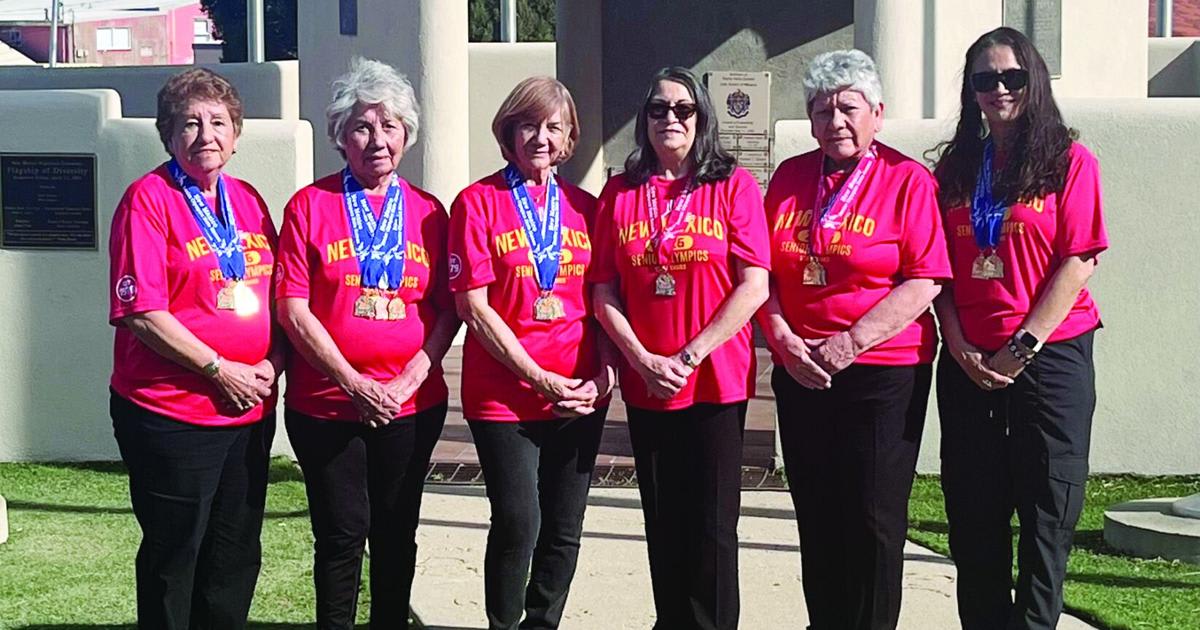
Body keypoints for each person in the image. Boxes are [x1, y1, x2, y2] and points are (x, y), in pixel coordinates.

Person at [759, 49, 951, 630]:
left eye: (848, 107)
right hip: (800, 372)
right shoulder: (791, 177)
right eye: (821, 110)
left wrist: (850, 341)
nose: (834, 121)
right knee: (816, 516)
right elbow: (757, 275)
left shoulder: (906, 180)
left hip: (881, 374)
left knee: (872, 521)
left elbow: (925, 280)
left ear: (877, 113)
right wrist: (783, 341)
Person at [931, 27, 1108, 630]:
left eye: (1011, 76)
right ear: (971, 91)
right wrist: (957, 346)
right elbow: (937, 274)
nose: (999, 89)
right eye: (985, 79)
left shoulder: (1067, 161)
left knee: (1046, 514)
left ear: (1033, 80)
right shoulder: (956, 169)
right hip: (969, 363)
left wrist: (1022, 346)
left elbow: (1078, 259)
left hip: (1049, 359)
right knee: (974, 517)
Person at [274, 57, 458, 629]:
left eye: (390, 126)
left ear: (407, 135)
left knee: (397, 532)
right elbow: (292, 308)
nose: (377, 140)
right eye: (362, 126)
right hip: (327, 406)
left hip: (411, 406)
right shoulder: (309, 206)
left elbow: (449, 310)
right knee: (340, 534)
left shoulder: (431, 213)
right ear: (340, 135)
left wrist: (405, 381)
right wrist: (353, 383)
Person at [591, 66, 770, 630]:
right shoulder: (619, 192)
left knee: (712, 525)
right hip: (649, 383)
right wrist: (641, 359)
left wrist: (690, 354)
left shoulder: (731, 185)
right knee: (663, 518)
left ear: (702, 119)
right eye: (659, 109)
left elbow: (754, 284)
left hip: (715, 379)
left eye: (684, 109)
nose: (671, 119)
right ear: (644, 120)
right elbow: (603, 290)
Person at [108, 67, 282, 629]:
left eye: (218, 122)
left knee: (234, 556)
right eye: (190, 123)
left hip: (249, 410)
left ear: (236, 134)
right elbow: (142, 313)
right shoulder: (148, 201)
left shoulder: (250, 201)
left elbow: (280, 298)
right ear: (168, 135)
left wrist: (267, 366)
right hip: (171, 414)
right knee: (174, 555)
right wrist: (218, 368)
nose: (206, 134)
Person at [447, 76, 614, 630]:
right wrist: (538, 377)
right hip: (505, 396)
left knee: (565, 525)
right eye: (527, 125)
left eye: (553, 127)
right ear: (507, 133)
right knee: (519, 520)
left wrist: (604, 376)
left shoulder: (588, 208)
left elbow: (608, 301)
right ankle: (503, 623)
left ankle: (543, 623)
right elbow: (474, 306)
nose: (540, 138)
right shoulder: (476, 203)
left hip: (579, 392)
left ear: (568, 139)